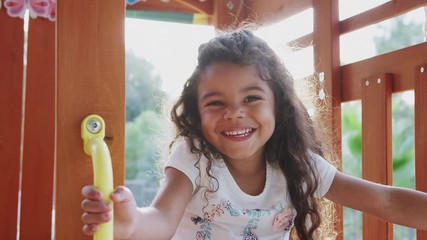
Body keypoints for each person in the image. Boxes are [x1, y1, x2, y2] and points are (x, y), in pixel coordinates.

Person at [81, 27, 427, 240]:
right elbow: (161, 220)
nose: (235, 113)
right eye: (216, 103)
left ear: (279, 105)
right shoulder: (195, 158)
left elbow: (384, 200)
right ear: (197, 113)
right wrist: (129, 224)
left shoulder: (298, 165)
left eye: (251, 98)